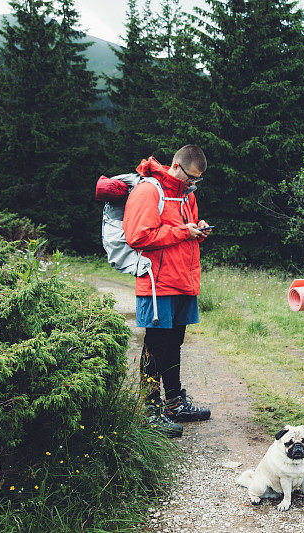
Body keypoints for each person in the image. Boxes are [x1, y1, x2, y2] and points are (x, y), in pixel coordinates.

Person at [123, 145, 213, 438]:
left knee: (174, 342)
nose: (193, 183)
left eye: (197, 179)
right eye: (190, 177)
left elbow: (185, 228)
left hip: (184, 281)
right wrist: (183, 232)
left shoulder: (187, 195)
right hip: (156, 283)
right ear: (176, 165)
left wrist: (198, 227)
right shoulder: (149, 191)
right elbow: (138, 237)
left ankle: (174, 402)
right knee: (155, 344)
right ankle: (149, 409)